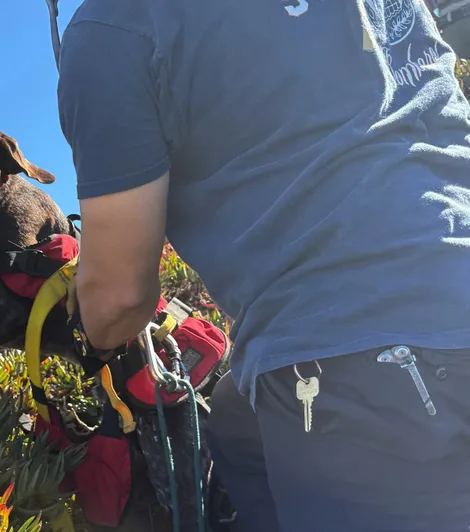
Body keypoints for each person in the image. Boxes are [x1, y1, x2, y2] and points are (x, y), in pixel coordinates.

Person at [56, 0, 470, 530]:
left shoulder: (115, 25)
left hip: (358, 363)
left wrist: (85, 319)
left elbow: (118, 300)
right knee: (234, 416)